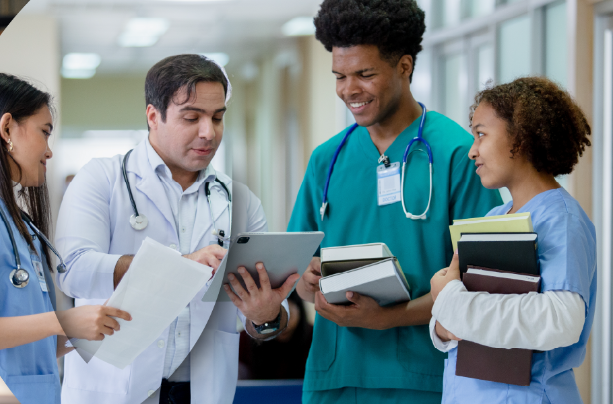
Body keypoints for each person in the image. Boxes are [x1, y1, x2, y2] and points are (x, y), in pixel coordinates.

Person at [289, 0, 503, 401]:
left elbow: (484, 282)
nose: (349, 89)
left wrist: (391, 318)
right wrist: (306, 279)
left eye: (365, 74)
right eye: (339, 76)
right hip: (335, 377)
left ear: (404, 66)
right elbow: (297, 275)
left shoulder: (457, 153)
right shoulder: (327, 160)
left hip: (423, 379)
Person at [56, 54, 292, 404]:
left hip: (200, 392)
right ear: (153, 116)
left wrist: (266, 315)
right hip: (113, 390)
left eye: (217, 117)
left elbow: (264, 319)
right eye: (192, 117)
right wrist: (179, 265)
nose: (208, 132)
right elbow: (74, 271)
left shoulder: (241, 202)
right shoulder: (101, 180)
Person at [0, 73, 132, 404]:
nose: (49, 151)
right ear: (7, 129)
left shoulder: (17, 220)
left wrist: (88, 328)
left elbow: (32, 341)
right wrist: (61, 321)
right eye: (44, 133)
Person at [429, 76, 595, 403]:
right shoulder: (495, 217)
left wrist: (448, 299)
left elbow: (561, 320)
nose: (471, 151)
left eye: (480, 134)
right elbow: (460, 317)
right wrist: (442, 327)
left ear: (521, 137)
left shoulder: (561, 220)